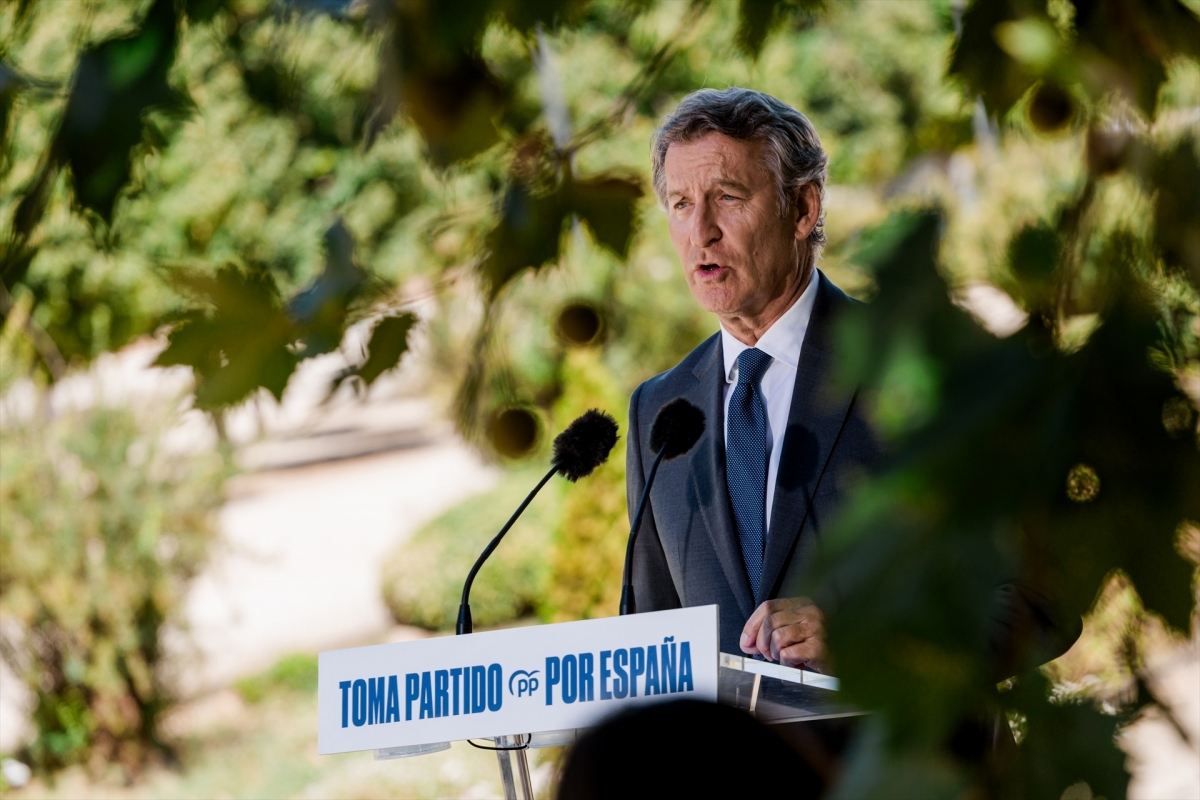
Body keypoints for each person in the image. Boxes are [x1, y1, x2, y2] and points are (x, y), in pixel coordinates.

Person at [626, 86, 880, 667]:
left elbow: (1036, 599)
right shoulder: (658, 412)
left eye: (728, 197)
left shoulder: (911, 365)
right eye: (682, 205)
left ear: (803, 209)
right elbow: (653, 634)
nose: (702, 232)